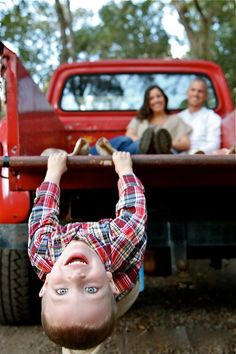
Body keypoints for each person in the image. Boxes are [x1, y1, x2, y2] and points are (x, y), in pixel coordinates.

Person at [28, 150, 147, 353]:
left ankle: (73, 347)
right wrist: (124, 169)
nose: (76, 277)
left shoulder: (43, 251)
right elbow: (133, 210)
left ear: (46, 284)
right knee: (93, 328)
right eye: (91, 289)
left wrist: (54, 172)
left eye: (61, 291)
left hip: (92, 265)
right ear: (110, 283)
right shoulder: (120, 241)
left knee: (78, 331)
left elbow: (43, 213)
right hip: (124, 291)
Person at [90, 85, 192, 156]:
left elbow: (185, 144)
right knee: (124, 140)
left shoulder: (176, 119)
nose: (156, 100)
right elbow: (129, 135)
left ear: (164, 98)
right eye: (151, 98)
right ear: (148, 102)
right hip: (135, 150)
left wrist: (165, 143)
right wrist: (143, 141)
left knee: (145, 146)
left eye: (158, 96)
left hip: (161, 153)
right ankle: (93, 152)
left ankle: (99, 152)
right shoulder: (141, 118)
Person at [178, 78, 222, 154]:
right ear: (187, 93)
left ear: (206, 96)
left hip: (202, 160)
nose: (196, 94)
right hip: (176, 160)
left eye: (200, 91)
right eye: (193, 90)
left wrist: (196, 153)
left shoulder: (212, 117)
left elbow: (214, 144)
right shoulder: (179, 117)